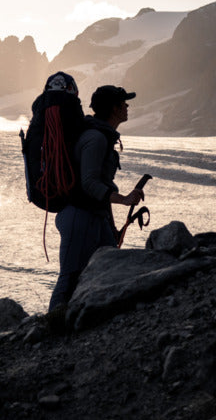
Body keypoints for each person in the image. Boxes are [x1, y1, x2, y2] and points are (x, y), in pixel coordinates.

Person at [47, 85, 145, 312]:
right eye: (123, 102)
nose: (127, 106)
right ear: (113, 108)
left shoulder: (101, 136)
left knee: (111, 268)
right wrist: (124, 199)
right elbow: (89, 183)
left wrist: (110, 223)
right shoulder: (96, 138)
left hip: (94, 217)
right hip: (79, 218)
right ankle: (47, 333)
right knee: (69, 278)